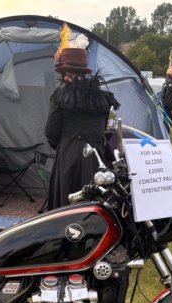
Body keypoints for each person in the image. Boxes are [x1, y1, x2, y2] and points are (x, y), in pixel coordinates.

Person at [44, 46, 119, 211]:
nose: (63, 78)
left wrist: (64, 145)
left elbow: (51, 130)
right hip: (97, 156)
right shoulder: (102, 98)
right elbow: (107, 130)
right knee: (94, 199)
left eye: (64, 74)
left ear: (69, 74)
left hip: (69, 154)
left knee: (68, 201)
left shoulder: (61, 95)